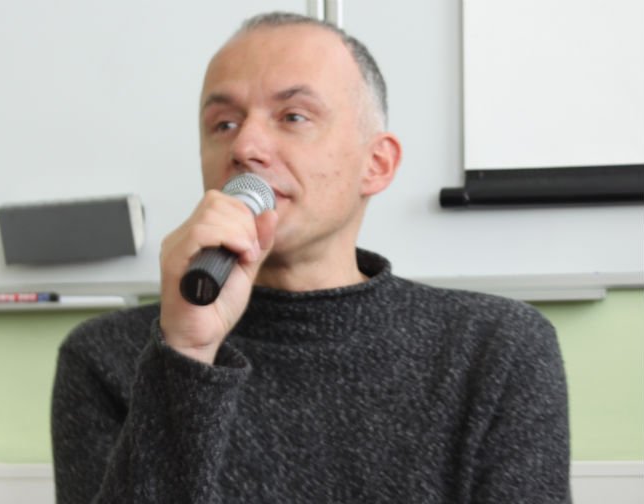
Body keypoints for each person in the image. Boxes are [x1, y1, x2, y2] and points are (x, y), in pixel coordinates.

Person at [51, 11, 571, 503]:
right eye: (223, 124)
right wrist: (185, 355)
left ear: (377, 164)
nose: (245, 147)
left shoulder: (499, 349)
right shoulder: (106, 357)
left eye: (293, 116)